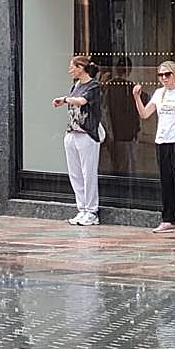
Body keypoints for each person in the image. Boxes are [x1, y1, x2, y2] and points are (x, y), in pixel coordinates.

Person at [133, 60, 175, 236]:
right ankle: (167, 218)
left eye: (166, 74)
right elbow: (145, 114)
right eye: (160, 75)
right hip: (162, 141)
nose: (163, 78)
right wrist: (137, 97)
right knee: (166, 180)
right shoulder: (159, 93)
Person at [53, 56, 102, 226]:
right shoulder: (76, 85)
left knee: (88, 173)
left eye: (72, 67)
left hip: (87, 134)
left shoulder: (93, 85)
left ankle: (91, 211)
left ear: (81, 67)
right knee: (75, 173)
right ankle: (82, 208)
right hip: (72, 133)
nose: (70, 70)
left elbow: (82, 101)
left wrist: (65, 99)